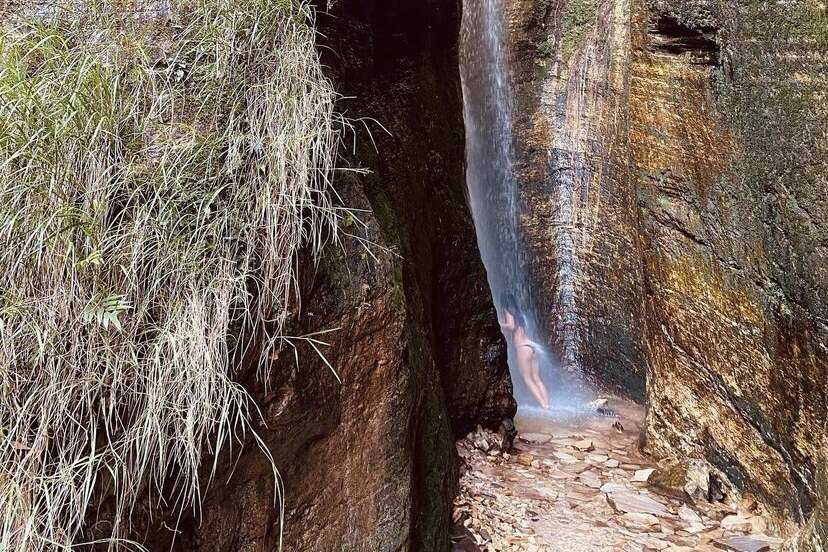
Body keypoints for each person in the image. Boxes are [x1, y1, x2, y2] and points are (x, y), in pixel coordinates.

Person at [499, 293, 550, 409]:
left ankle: (543, 406)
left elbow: (511, 326)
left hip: (522, 348)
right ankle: (547, 404)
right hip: (532, 347)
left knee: (527, 379)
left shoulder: (508, 311)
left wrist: (500, 323)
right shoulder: (519, 315)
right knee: (536, 378)